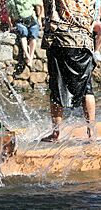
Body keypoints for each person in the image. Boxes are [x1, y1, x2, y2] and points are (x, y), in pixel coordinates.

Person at [40, 0, 96, 141]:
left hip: (61, 39)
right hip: (85, 41)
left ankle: (56, 133)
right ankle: (91, 133)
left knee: (57, 86)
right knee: (87, 88)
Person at [6, 0, 42, 67]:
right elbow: (8, 15)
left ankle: (30, 58)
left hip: (32, 21)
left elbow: (40, 4)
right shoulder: (10, 2)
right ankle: (27, 54)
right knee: (23, 35)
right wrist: (10, 26)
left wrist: (39, 18)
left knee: (33, 38)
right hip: (20, 22)